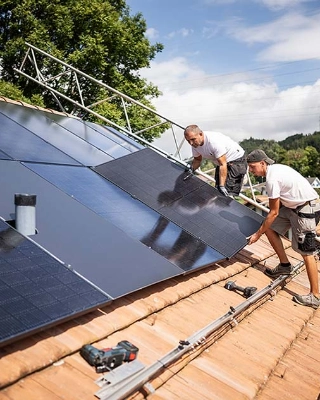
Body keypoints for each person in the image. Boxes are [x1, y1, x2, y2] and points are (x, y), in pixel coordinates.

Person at [246, 149, 320, 309]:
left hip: (306, 209)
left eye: (252, 167)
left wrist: (257, 235)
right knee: (270, 228)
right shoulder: (275, 170)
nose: (251, 171)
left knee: (306, 252)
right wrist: (263, 229)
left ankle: (315, 296)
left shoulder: (272, 179)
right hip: (294, 207)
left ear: (262, 163)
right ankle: (285, 266)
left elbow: (273, 212)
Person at [184, 125, 247, 197]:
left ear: (200, 134)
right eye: (188, 141)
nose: (191, 143)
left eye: (193, 139)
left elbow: (223, 164)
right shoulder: (195, 145)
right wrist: (191, 170)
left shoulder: (213, 142)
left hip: (236, 162)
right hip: (222, 163)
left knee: (226, 194)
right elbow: (197, 160)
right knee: (218, 192)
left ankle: (241, 178)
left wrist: (222, 186)